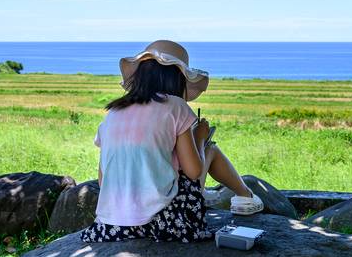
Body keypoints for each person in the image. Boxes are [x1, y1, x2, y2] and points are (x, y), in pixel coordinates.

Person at [81, 40, 263, 243]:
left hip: (111, 224)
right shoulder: (175, 105)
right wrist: (200, 138)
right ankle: (245, 197)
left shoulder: (113, 113)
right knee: (210, 149)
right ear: (177, 78)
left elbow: (102, 180)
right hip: (164, 222)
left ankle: (221, 195)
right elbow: (193, 171)